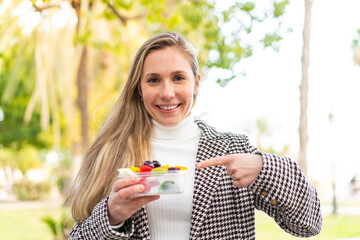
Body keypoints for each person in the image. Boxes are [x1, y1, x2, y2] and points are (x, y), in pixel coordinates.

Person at [65, 31, 322, 239]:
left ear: (196, 83)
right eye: (153, 80)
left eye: (178, 78)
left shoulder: (233, 148)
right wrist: (112, 215)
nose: (167, 93)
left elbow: (309, 224)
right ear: (139, 88)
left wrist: (266, 168)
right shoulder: (111, 150)